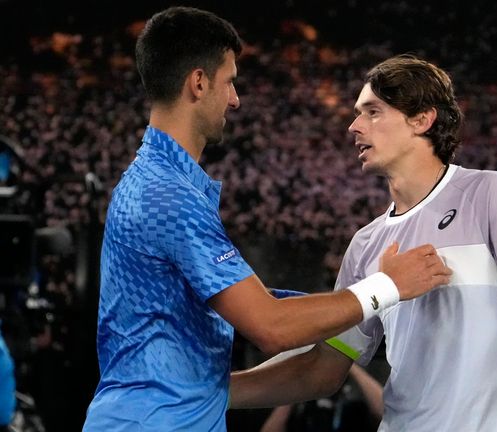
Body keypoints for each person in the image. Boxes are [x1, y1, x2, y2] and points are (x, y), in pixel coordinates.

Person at [82, 9, 451, 431]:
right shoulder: (167, 196)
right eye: (230, 81)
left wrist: (351, 307)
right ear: (198, 83)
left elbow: (255, 307)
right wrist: (386, 286)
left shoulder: (158, 182)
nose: (235, 98)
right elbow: (270, 326)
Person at [229, 55, 497, 432]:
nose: (354, 126)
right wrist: (216, 392)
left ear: (421, 119)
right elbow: (322, 370)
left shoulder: (489, 194)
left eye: (372, 112)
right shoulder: (365, 244)